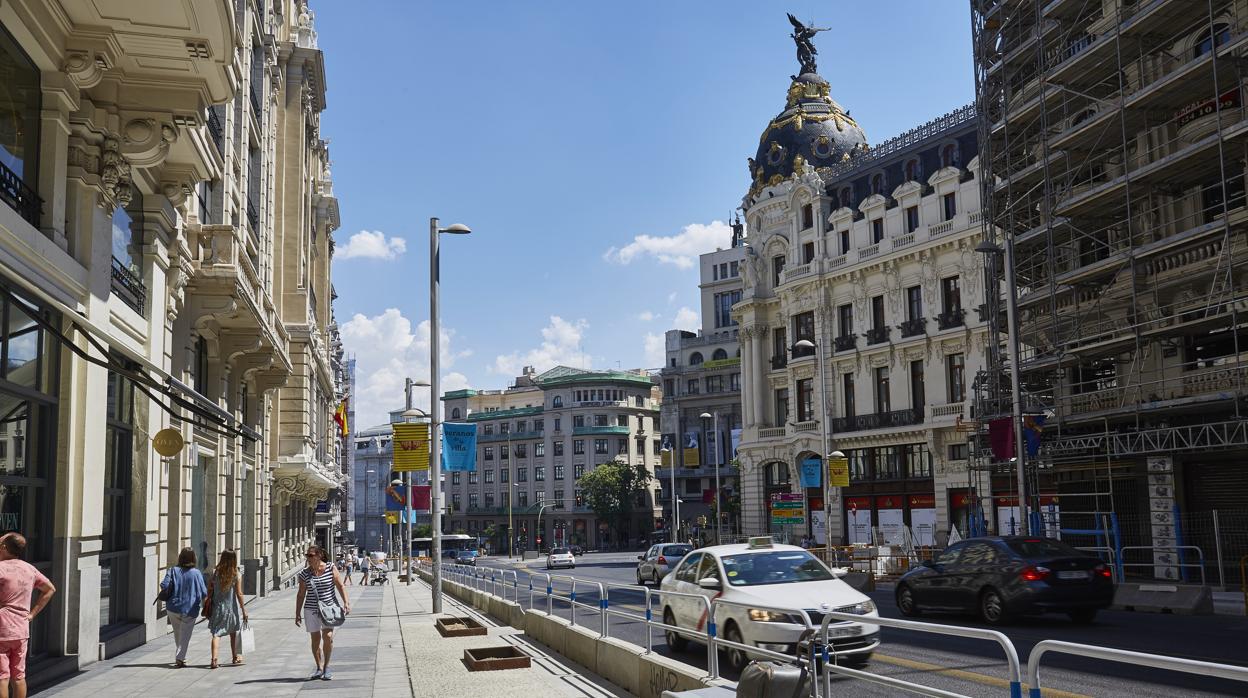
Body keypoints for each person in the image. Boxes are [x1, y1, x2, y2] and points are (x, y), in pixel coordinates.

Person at [0, 533, 55, 698]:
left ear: (4, 547)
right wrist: (31, 614)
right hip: (21, 629)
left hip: (2, 629)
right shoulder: (29, 568)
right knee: (18, 676)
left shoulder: (1, 568)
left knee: (2, 676)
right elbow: (50, 589)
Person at [296, 545, 349, 680]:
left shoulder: (330, 567)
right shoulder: (304, 574)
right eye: (307, 555)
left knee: (328, 637)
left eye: (311, 555)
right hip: (311, 609)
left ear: (319, 555)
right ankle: (319, 667)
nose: (308, 558)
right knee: (315, 639)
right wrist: (297, 613)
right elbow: (301, 594)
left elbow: (340, 585)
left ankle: (327, 667)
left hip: (329, 608)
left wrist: (346, 602)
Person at [156, 547, 207, 668]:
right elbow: (204, 592)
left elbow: (164, 585)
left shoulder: (173, 570)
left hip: (172, 607)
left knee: (178, 634)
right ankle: (180, 657)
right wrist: (205, 606)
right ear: (194, 558)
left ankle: (181, 657)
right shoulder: (196, 573)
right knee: (185, 635)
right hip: (190, 608)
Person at [204, 550, 247, 669]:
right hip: (231, 609)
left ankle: (214, 659)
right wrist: (243, 610)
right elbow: (239, 593)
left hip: (217, 608)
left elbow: (209, 588)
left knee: (216, 634)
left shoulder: (216, 572)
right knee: (233, 633)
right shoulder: (236, 574)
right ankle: (234, 657)